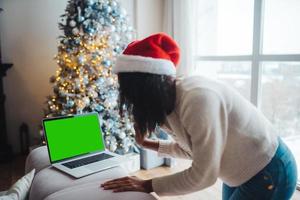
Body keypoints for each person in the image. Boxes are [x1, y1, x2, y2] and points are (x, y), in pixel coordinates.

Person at [100, 33, 298, 199]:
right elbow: (193, 150)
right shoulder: (168, 102)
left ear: (148, 87)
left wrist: (146, 185)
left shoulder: (198, 99)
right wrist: (147, 144)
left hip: (269, 170)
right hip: (238, 172)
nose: (135, 103)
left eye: (134, 95)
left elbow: (203, 176)